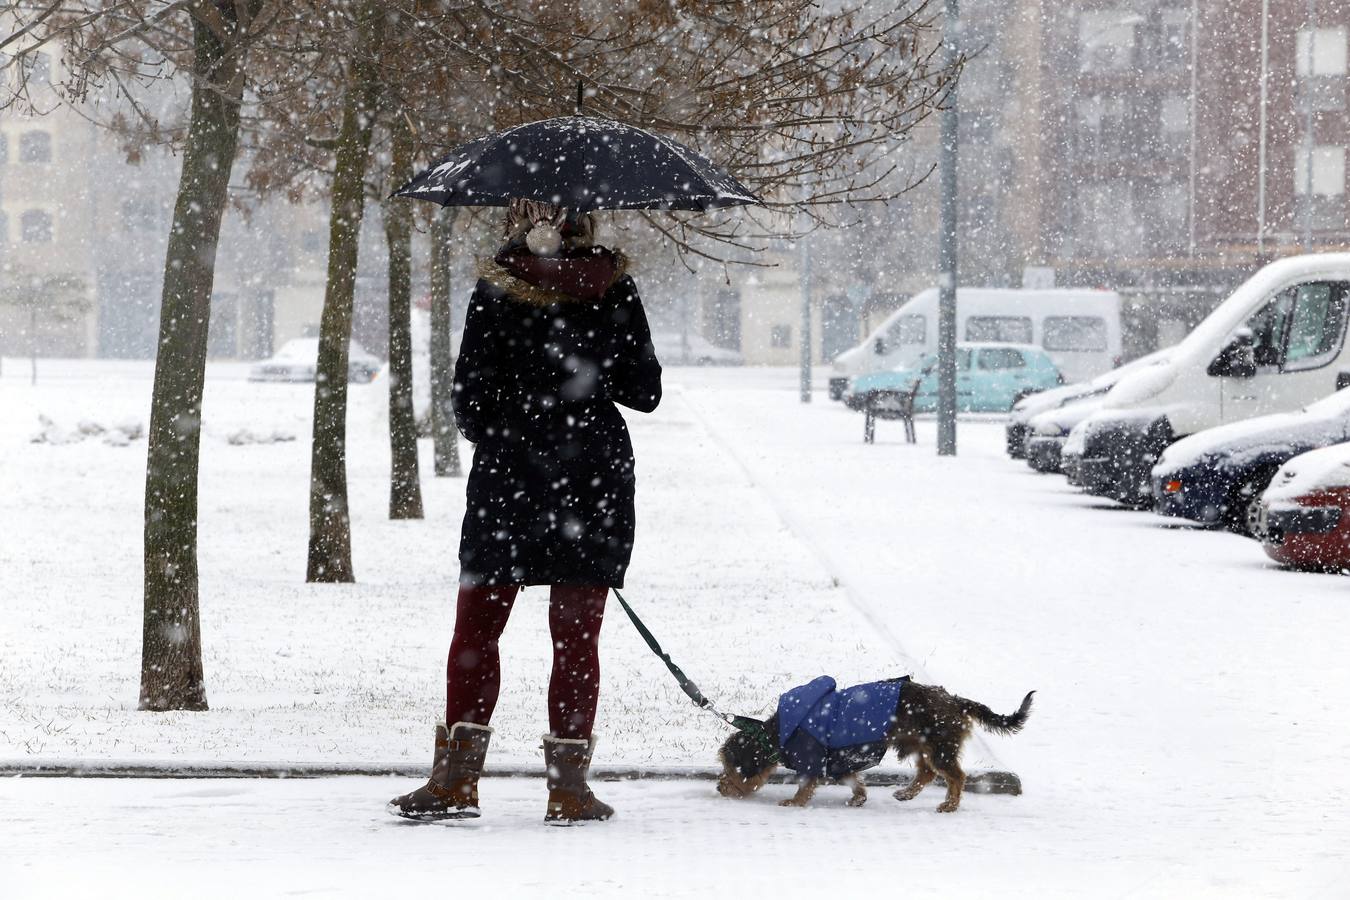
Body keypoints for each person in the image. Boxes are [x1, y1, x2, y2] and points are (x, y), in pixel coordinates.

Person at [388, 199, 662, 824]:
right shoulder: (615, 292)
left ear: (520, 223)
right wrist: (595, 357)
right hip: (592, 483)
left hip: (509, 484)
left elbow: (470, 406)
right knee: (577, 639)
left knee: (476, 633)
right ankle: (568, 790)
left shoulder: (496, 291)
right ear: (590, 226)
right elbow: (645, 392)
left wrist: (521, 422)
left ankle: (457, 782)